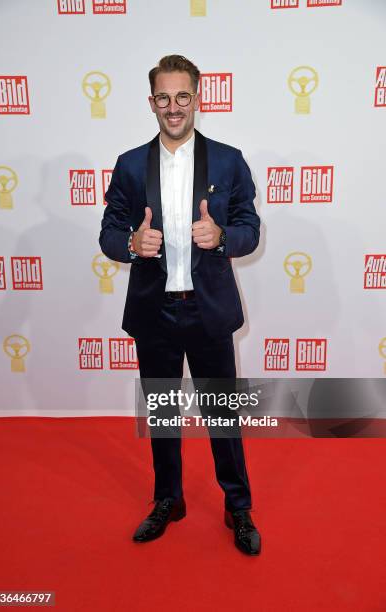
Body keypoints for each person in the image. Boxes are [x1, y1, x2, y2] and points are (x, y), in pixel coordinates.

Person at [99, 55, 261, 555]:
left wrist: (221, 237)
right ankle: (168, 499)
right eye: (163, 98)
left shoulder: (229, 160)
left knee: (222, 415)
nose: (174, 107)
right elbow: (108, 233)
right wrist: (130, 244)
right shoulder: (129, 164)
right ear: (152, 102)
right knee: (164, 415)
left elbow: (250, 230)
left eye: (182, 96)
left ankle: (238, 507)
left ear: (197, 98)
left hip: (207, 309)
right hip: (155, 311)